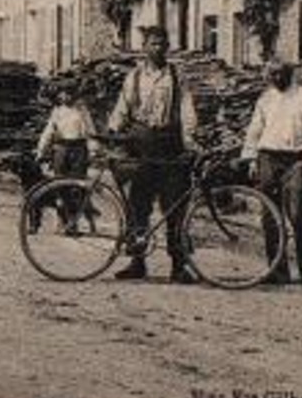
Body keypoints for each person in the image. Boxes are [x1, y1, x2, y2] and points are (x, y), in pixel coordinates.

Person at [106, 25, 198, 282]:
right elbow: (122, 108)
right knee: (139, 205)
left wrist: (189, 142)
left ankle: (179, 266)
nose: (157, 48)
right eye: (152, 44)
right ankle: (137, 262)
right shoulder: (134, 77)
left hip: (170, 144)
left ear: (167, 47)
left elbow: (187, 110)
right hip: (141, 144)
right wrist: (112, 133)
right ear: (144, 47)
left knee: (175, 207)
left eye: (161, 44)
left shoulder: (177, 77)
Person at [241, 57, 302, 290]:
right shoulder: (266, 99)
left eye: (281, 73)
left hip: (296, 161)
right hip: (268, 159)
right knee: (270, 218)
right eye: (272, 74)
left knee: (299, 216)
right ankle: (277, 270)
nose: (276, 78)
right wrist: (251, 159)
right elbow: (254, 131)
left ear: (290, 73)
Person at [34, 87, 100, 232]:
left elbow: (90, 131)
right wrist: (41, 150)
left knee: (76, 187)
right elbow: (48, 131)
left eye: (70, 93)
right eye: (64, 94)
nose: (66, 97)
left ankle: (74, 222)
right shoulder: (57, 111)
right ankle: (62, 220)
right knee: (59, 186)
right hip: (61, 149)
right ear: (60, 95)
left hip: (78, 150)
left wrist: (94, 150)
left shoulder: (82, 110)